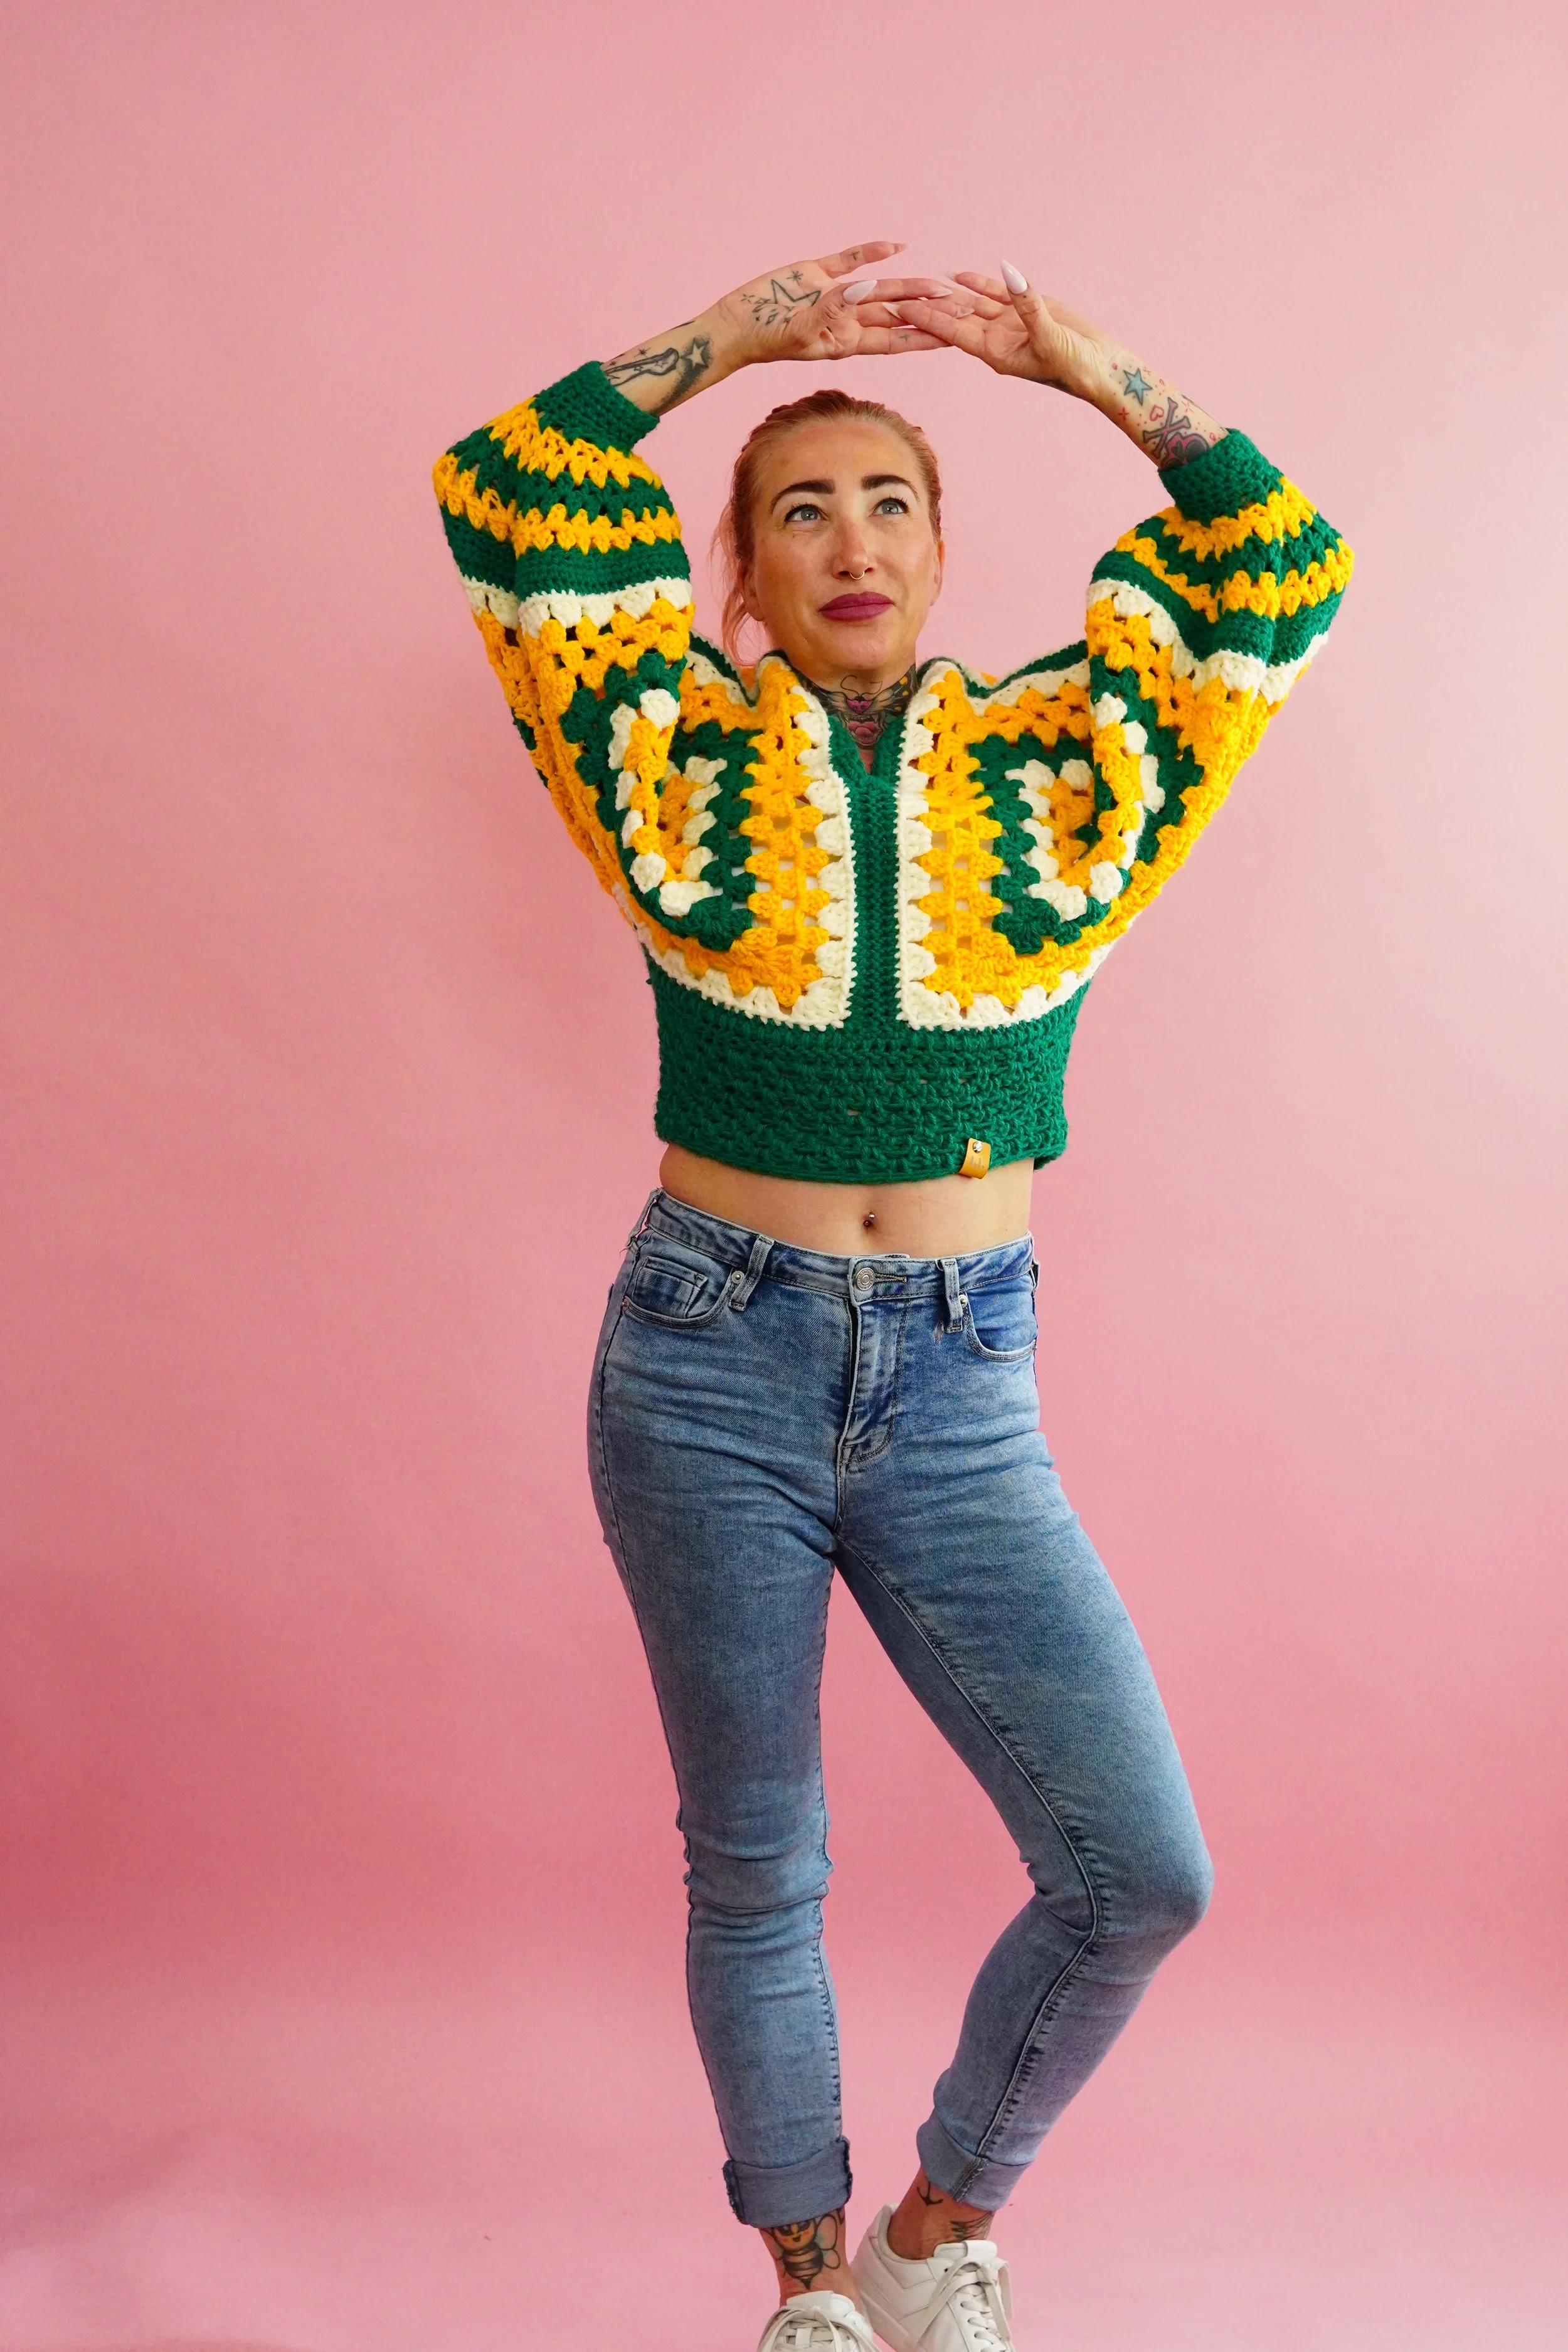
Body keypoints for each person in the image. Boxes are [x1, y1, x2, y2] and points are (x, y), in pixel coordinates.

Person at [433, 241, 1351, 2352]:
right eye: (797, 509)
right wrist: (736, 337)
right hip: (699, 1359)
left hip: (959, 1381)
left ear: (945, 552)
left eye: (891, 503)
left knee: (1137, 1867)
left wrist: (1091, 368)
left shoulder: (1072, 764)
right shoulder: (655, 746)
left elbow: (1276, 566)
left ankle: (933, 2231)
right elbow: (509, 488)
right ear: (735, 579)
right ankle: (800, 2293)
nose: (851, 539)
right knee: (756, 1861)